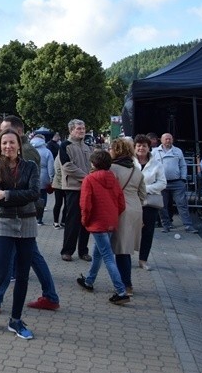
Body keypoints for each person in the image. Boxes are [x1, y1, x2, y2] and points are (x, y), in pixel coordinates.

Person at [0, 129, 39, 340]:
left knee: (22, 276)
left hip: (28, 222)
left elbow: (34, 193)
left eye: (11, 143)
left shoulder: (30, 166)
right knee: (0, 273)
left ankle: (16, 320)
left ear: (19, 145)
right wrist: (6, 196)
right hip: (4, 222)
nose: (8, 147)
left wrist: (7, 194)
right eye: (4, 143)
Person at [77, 149, 130, 305]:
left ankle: (121, 291)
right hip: (111, 221)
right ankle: (89, 280)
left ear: (93, 163)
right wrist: (114, 215)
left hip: (97, 222)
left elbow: (85, 204)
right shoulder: (113, 178)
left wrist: (85, 220)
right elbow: (121, 202)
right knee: (99, 252)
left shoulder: (89, 179)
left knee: (107, 256)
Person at [109, 138, 146, 296]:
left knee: (121, 250)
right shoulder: (136, 170)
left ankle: (126, 284)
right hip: (135, 209)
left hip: (119, 210)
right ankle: (124, 282)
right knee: (125, 248)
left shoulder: (111, 168)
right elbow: (143, 194)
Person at [59, 119, 92, 262]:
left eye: (83, 128)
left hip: (88, 188)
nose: (82, 130)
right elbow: (67, 166)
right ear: (71, 130)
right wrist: (87, 178)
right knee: (72, 220)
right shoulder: (65, 146)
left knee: (87, 220)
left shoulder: (88, 147)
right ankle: (67, 251)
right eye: (79, 128)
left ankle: (83, 251)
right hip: (73, 188)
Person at [134, 134, 166, 271]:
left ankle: (143, 260)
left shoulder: (157, 164)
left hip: (149, 202)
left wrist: (145, 189)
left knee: (147, 232)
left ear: (149, 147)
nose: (141, 148)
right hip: (131, 202)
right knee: (129, 231)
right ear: (134, 147)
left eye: (144, 146)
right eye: (139, 145)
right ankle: (124, 259)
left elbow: (162, 183)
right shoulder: (129, 162)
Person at [153, 133, 195, 233]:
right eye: (166, 139)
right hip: (161, 183)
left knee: (182, 204)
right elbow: (151, 166)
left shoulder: (178, 151)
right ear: (161, 140)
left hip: (177, 182)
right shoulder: (154, 152)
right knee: (162, 206)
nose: (168, 141)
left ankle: (188, 226)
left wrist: (183, 179)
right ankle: (166, 226)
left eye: (170, 139)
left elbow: (183, 165)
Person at [30, 133, 55, 225]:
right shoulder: (47, 151)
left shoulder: (29, 149)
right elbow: (51, 166)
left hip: (30, 175)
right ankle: (39, 218)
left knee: (32, 196)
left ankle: (31, 215)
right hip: (43, 175)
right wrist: (51, 177)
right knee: (43, 196)